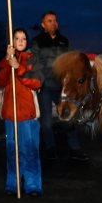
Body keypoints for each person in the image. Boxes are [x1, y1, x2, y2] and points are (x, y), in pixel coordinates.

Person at [30, 11, 88, 161]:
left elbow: (69, 62)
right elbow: (34, 63)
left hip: (62, 86)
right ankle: (50, 148)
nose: (53, 23)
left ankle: (75, 148)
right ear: (43, 25)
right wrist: (39, 79)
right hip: (45, 87)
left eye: (55, 20)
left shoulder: (64, 41)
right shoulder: (37, 41)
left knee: (68, 116)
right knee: (47, 121)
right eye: (49, 21)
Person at [0, 28, 43, 197]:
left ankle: (33, 184)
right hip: (10, 113)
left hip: (28, 114)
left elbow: (37, 82)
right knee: (12, 151)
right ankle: (12, 184)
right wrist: (9, 63)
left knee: (30, 150)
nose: (20, 41)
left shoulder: (33, 59)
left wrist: (19, 68)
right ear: (12, 42)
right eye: (17, 38)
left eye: (23, 38)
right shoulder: (5, 60)